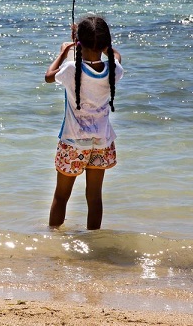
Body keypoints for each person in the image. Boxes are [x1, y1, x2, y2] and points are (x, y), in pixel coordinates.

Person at [44, 16, 124, 230]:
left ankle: (53, 240)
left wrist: (64, 50)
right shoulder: (113, 70)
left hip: (73, 143)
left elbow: (49, 76)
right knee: (95, 198)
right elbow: (116, 56)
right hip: (102, 143)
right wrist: (97, 45)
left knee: (61, 197)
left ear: (78, 42)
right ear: (106, 43)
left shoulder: (71, 68)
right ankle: (93, 243)